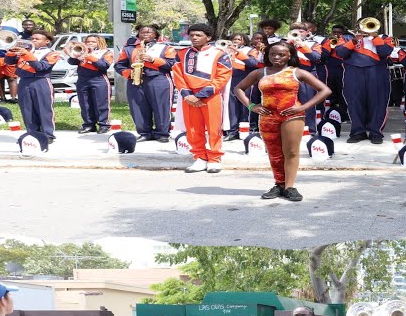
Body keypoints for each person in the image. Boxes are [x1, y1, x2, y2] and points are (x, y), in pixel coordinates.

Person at [234, 41, 332, 201]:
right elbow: (238, 88)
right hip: (267, 117)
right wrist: (252, 106)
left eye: (281, 54)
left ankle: (290, 187)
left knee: (291, 152)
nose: (276, 57)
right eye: (273, 54)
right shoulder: (261, 72)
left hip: (292, 116)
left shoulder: (297, 72)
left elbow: (325, 90)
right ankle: (279, 184)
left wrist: (302, 108)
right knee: (274, 153)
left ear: (289, 56)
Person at [172, 24, 234, 174]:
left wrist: (200, 95)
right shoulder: (181, 53)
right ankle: (200, 157)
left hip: (210, 96)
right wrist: (188, 95)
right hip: (189, 97)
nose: (194, 38)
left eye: (198, 35)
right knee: (193, 128)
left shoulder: (219, 54)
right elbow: (177, 74)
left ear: (209, 37)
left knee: (214, 128)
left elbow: (223, 75)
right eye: (192, 35)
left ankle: (214, 158)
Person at [115, 25, 178, 143]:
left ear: (156, 35)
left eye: (150, 32)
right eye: (142, 32)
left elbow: (171, 64)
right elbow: (119, 65)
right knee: (138, 107)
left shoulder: (165, 47)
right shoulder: (129, 48)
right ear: (138, 34)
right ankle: (144, 133)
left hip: (158, 79)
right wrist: (129, 73)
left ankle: (162, 133)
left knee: (161, 107)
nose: (146, 34)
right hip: (135, 80)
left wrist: (152, 59)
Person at [332, 27, 394, 144]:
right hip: (353, 72)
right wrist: (354, 40)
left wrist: (374, 37)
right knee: (354, 102)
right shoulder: (346, 38)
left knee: (378, 102)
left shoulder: (384, 38)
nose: (365, 28)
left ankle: (376, 132)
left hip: (376, 71)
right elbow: (340, 53)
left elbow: (385, 52)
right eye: (363, 26)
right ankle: (358, 132)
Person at [5, 28, 61, 149]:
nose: (33, 40)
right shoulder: (26, 50)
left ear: (47, 41)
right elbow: (8, 61)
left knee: (44, 109)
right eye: (32, 38)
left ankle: (48, 134)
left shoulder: (52, 53)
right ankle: (32, 132)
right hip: (24, 81)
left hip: (41, 81)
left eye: (37, 39)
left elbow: (41, 67)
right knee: (27, 109)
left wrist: (26, 54)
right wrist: (11, 50)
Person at [66, 34, 114, 134]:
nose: (90, 44)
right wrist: (76, 55)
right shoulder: (82, 51)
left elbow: (104, 65)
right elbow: (71, 61)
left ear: (99, 42)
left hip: (99, 79)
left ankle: (104, 124)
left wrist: (89, 57)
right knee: (85, 103)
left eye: (93, 42)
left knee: (101, 103)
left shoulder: (106, 52)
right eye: (88, 42)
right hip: (82, 79)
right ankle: (89, 125)